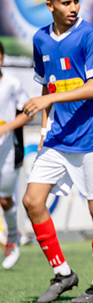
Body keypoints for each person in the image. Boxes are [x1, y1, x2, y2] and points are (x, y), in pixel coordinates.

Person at [21, 0, 93, 303]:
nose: (73, 7)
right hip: (58, 138)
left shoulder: (90, 35)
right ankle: (63, 274)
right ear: (49, 5)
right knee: (32, 201)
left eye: (76, 1)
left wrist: (46, 101)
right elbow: (47, 84)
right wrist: (46, 125)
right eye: (65, 3)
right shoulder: (40, 39)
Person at [0, 40, 31, 269]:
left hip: (8, 151)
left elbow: (27, 113)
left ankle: (12, 238)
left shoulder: (11, 84)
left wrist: (5, 127)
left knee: (4, 198)